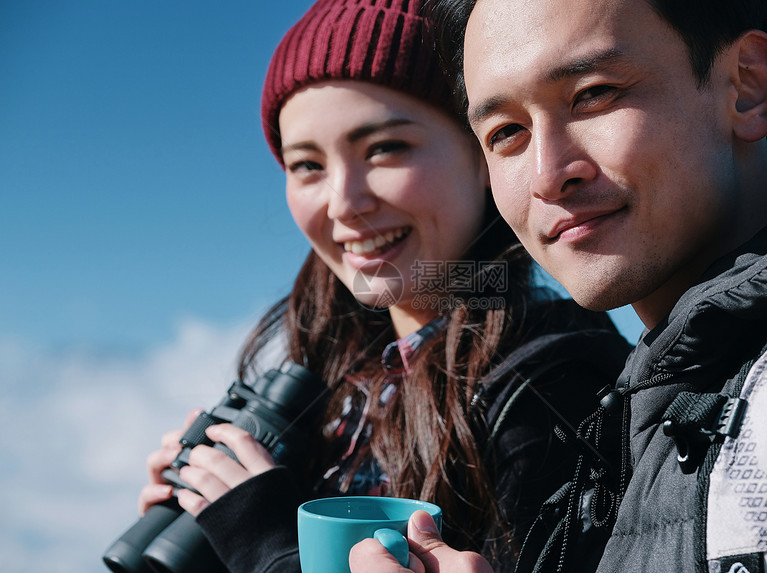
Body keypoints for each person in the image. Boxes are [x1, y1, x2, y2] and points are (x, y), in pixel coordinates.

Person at [349, 0, 767, 571]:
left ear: (748, 86)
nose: (548, 174)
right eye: (507, 132)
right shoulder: (638, 418)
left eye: (593, 94)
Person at [136, 0, 632, 572]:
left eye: (385, 149)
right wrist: (215, 532)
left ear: (484, 151)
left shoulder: (554, 387)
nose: (345, 202)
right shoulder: (335, 378)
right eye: (306, 165)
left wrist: (264, 544)